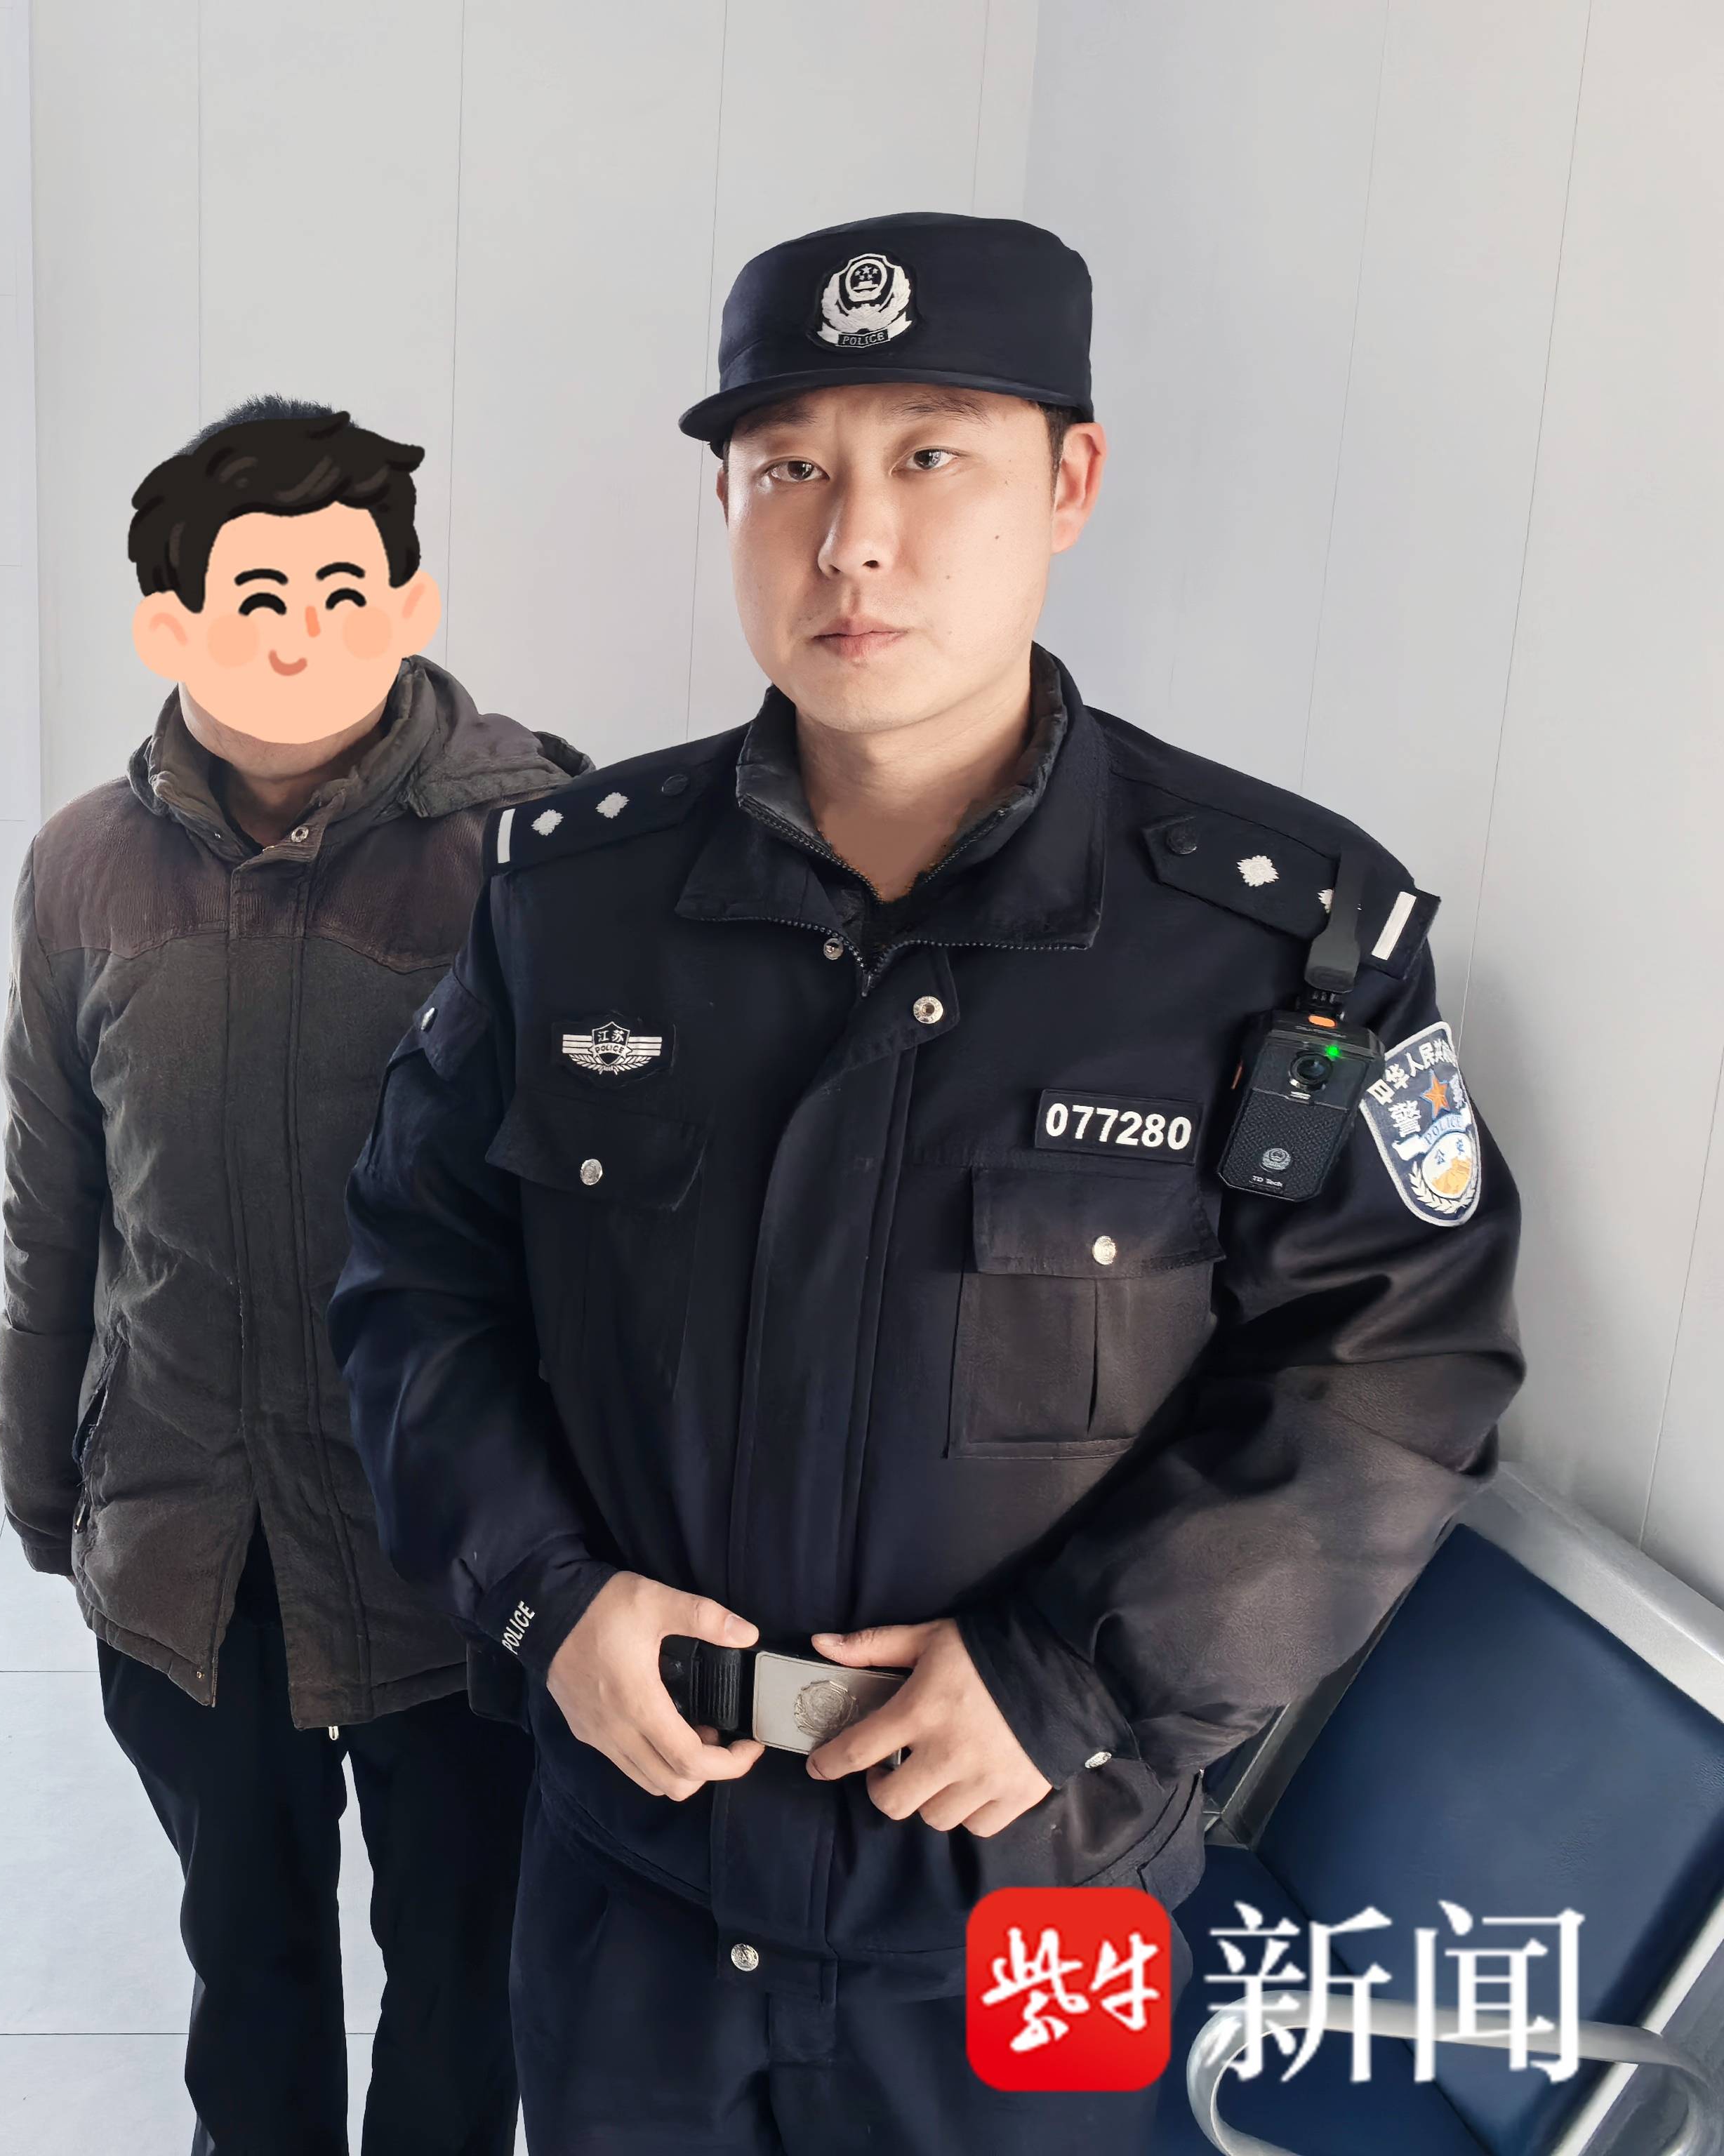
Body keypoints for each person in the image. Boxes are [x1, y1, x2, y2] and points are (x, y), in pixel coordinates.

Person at [329, 212, 1527, 2154]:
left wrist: (1073, 1679)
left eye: (930, 456)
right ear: (727, 504)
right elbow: (413, 1285)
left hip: (1050, 1882)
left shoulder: (1283, 940)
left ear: (1070, 483)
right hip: (643, 1876)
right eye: (788, 471)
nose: (852, 541)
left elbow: (1392, 1370)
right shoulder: (571, 899)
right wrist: (543, 1596)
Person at [0, 398, 581, 2156]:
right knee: (244, 1964)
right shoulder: (82, 867)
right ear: (169, 622)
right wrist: (45, 1486)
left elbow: (611, 1226)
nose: (295, 634)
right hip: (193, 1531)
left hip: (455, 1535)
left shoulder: (537, 846)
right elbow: (55, 1198)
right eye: (252, 597)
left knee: (463, 1969)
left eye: (338, 590)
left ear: (404, 601)